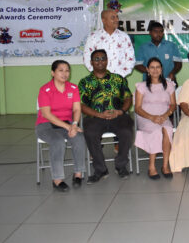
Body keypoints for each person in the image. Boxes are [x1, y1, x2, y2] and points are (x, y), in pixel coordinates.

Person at [79, 49, 134, 183]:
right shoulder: (84, 82)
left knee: (126, 131)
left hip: (118, 115)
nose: (100, 61)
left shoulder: (118, 79)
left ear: (107, 61)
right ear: (91, 62)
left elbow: (128, 98)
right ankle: (100, 169)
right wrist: (98, 114)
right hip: (95, 117)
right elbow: (81, 105)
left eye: (103, 58)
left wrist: (120, 111)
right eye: (96, 59)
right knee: (90, 132)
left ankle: (121, 165)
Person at [36, 60, 86, 192]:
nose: (65, 73)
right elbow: (46, 114)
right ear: (53, 73)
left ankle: (78, 174)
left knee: (79, 138)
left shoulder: (73, 88)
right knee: (58, 142)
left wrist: (74, 125)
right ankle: (57, 180)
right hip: (46, 125)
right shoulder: (45, 89)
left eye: (67, 70)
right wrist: (69, 127)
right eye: (61, 70)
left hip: (67, 123)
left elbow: (76, 110)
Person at [134, 57, 177, 180]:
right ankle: (151, 166)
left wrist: (165, 115)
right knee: (156, 131)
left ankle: (165, 166)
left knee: (167, 129)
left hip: (163, 115)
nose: (155, 70)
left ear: (162, 69)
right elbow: (137, 108)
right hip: (145, 116)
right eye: (152, 67)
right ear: (147, 70)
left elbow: (173, 105)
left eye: (158, 67)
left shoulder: (169, 85)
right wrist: (152, 117)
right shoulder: (141, 86)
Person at [83, 9, 135, 77]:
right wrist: (99, 74)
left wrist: (120, 75)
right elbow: (87, 58)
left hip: (119, 79)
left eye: (117, 17)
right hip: (99, 80)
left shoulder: (124, 37)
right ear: (103, 20)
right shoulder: (93, 37)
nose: (117, 20)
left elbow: (131, 58)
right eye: (113, 17)